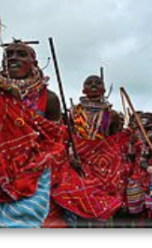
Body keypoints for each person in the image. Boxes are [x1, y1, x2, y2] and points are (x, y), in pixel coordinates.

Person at [0, 41, 66, 229]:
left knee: (27, 221)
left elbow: (56, 138)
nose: (13, 58)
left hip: (35, 171)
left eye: (21, 54)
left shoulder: (49, 98)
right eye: (9, 54)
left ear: (34, 62)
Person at [52, 74, 129, 224]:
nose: (93, 85)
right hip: (79, 160)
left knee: (102, 201)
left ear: (104, 89)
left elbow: (114, 142)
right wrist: (70, 155)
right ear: (83, 89)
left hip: (104, 165)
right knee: (79, 197)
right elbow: (68, 137)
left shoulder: (112, 115)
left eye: (97, 83)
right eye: (89, 83)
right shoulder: (73, 113)